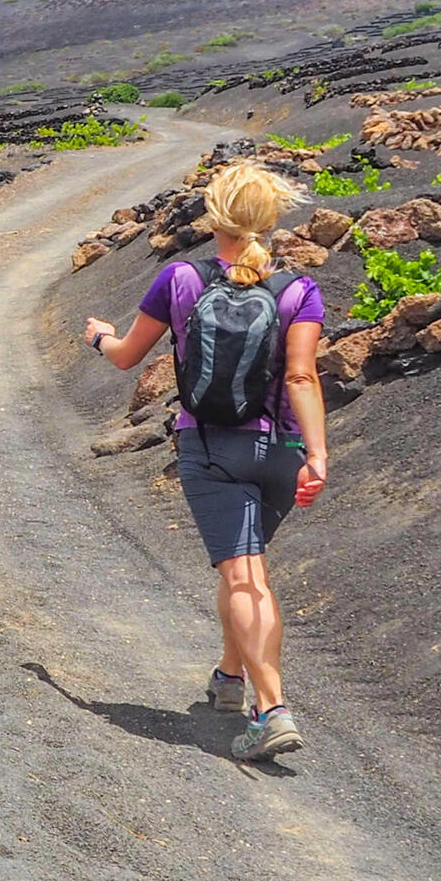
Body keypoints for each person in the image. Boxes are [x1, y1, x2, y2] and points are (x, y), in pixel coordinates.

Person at [83, 159, 330, 761]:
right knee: (244, 568)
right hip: (280, 453)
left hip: (210, 448)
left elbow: (125, 358)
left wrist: (98, 336)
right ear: (270, 218)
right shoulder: (297, 290)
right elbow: (301, 374)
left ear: (212, 214)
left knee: (245, 576)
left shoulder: (179, 279)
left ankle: (270, 711)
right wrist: (316, 455)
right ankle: (228, 677)